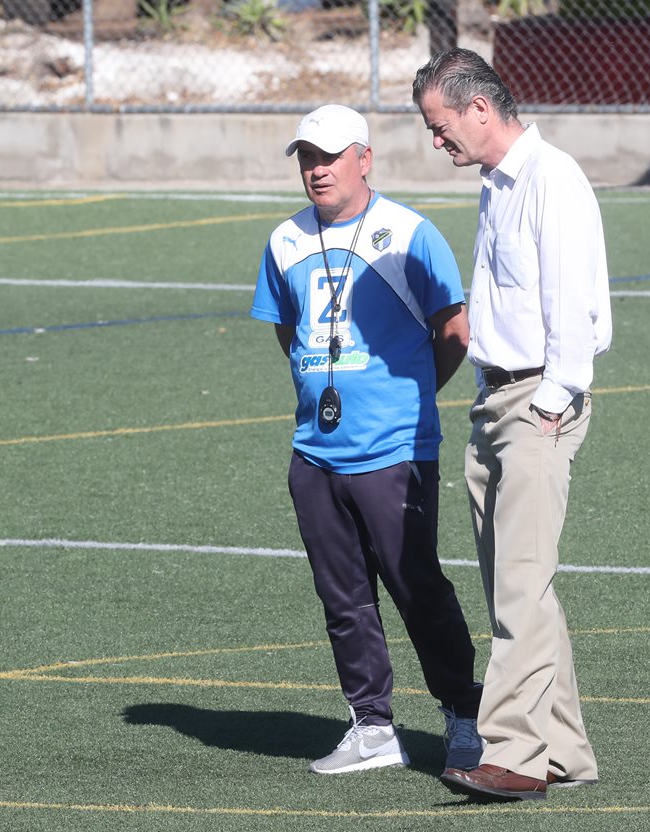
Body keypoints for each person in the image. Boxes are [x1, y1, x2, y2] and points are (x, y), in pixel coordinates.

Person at [250, 104, 484, 776]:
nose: (316, 170)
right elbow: (285, 328)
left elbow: (454, 331)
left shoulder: (409, 233)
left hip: (395, 449)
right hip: (315, 450)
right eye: (306, 158)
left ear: (364, 158)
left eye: (328, 156)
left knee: (418, 588)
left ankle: (465, 716)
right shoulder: (285, 240)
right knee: (342, 597)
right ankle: (372, 726)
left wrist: (407, 400)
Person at [411, 49, 613, 801]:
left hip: (535, 403)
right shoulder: (500, 184)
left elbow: (571, 304)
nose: (438, 143)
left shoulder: (549, 179)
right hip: (496, 402)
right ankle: (563, 750)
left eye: (440, 127)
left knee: (518, 592)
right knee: (519, 585)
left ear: (480, 110)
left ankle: (514, 754)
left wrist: (553, 401)